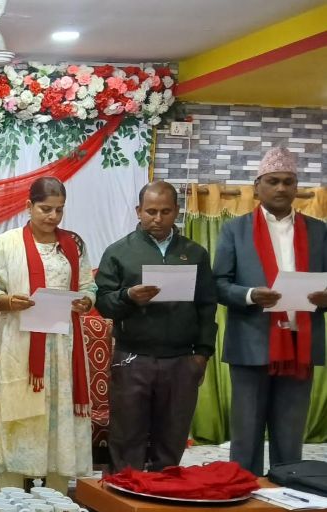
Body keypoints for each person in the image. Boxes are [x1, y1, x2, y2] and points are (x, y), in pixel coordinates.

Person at [214, 147, 327, 476]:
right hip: (252, 341)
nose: (281, 188)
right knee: (246, 435)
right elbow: (218, 284)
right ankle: (243, 494)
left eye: (288, 182)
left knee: (290, 436)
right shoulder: (235, 230)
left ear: (296, 187)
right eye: (273, 181)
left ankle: (289, 493)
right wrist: (251, 295)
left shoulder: (318, 230)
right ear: (257, 186)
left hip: (300, 342)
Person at [95, 181, 217, 477]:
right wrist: (128, 296)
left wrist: (202, 354)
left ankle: (163, 496)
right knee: (127, 436)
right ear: (138, 211)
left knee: (172, 438)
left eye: (165, 211)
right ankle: (124, 496)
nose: (158, 219)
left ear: (177, 211)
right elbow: (103, 303)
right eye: (151, 211)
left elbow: (207, 306)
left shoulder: (195, 253)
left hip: (181, 360)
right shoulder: (119, 252)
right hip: (132, 357)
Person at [0, 177, 96, 494]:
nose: (52, 216)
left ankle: (57, 495)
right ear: (28, 206)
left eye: (59, 210)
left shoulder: (73, 244)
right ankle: (10, 495)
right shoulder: (5, 243)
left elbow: (88, 286)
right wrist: (7, 301)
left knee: (58, 419)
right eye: (45, 209)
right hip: (20, 344)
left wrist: (87, 300)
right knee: (19, 415)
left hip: (63, 347)